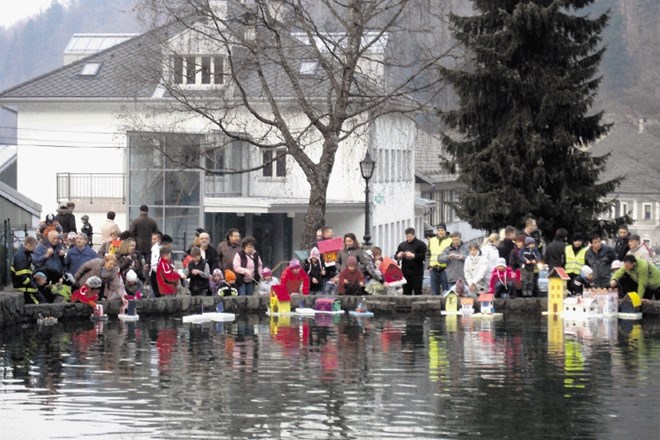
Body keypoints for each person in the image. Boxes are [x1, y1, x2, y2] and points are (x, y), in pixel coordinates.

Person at [11, 236, 45, 304]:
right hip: (25, 289)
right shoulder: (20, 256)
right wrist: (32, 284)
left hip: (28, 288)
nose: (35, 249)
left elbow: (27, 273)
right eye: (34, 246)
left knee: (43, 301)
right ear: (28, 245)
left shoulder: (26, 255)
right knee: (41, 303)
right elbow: (21, 276)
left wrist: (35, 278)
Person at [395, 227, 428, 296]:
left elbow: (425, 256)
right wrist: (399, 256)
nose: (408, 239)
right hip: (405, 271)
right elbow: (396, 256)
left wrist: (414, 255)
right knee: (406, 291)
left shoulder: (421, 244)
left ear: (414, 235)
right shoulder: (402, 245)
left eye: (410, 237)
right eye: (407, 237)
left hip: (417, 272)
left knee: (418, 291)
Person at [426, 223, 452, 295]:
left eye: (442, 230)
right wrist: (428, 265)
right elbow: (428, 254)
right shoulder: (432, 240)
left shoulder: (450, 240)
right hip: (433, 269)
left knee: (446, 292)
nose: (440, 232)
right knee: (434, 292)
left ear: (445, 231)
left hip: (445, 269)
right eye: (438, 230)